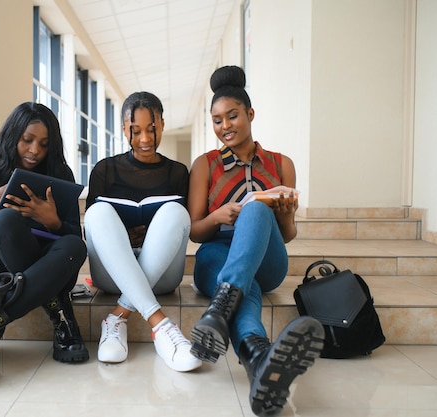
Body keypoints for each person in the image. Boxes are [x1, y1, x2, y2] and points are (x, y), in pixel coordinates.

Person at [187, 66, 325, 416]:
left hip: (267, 258)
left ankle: (218, 311)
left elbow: (288, 236)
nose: (225, 127)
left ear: (250, 114)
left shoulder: (282, 163)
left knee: (257, 209)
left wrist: (283, 215)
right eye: (217, 120)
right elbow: (194, 231)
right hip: (217, 254)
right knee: (239, 284)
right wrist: (218, 217)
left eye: (232, 116)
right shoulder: (204, 165)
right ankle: (259, 357)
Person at [0, 102, 89, 379]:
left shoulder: (60, 176)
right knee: (5, 220)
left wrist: (55, 223)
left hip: (48, 267)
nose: (35, 150)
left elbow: (75, 243)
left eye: (44, 144)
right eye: (27, 140)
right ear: (12, 136)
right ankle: (60, 314)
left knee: (74, 245)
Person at [84, 91, 201, 372]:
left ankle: (117, 316)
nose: (146, 139)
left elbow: (177, 230)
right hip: (112, 275)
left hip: (162, 276)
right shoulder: (104, 171)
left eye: (152, 129)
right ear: (124, 129)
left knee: (175, 212)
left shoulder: (178, 172)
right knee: (96, 213)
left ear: (162, 124)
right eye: (136, 131)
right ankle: (161, 326)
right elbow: (93, 234)